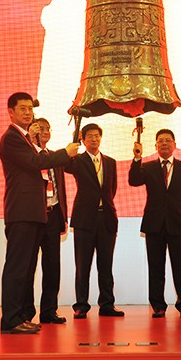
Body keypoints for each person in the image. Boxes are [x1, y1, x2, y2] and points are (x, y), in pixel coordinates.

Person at [0, 92, 79, 334]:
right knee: (17, 268)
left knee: (26, 268)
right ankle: (11, 320)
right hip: (22, 212)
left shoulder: (25, 139)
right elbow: (36, 163)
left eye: (30, 108)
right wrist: (65, 153)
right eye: (22, 108)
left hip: (33, 213)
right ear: (11, 112)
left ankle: (21, 316)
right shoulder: (11, 138)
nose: (28, 112)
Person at [128, 129, 181, 318]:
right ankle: (158, 306)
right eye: (160, 141)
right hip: (154, 224)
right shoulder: (148, 167)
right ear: (156, 145)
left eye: (167, 140)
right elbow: (133, 181)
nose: (164, 143)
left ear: (174, 144)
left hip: (178, 223)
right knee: (155, 266)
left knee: (180, 266)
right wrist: (137, 158)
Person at [65, 123, 123, 318]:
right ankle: (81, 305)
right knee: (83, 265)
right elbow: (65, 165)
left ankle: (107, 305)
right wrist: (73, 141)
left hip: (106, 219)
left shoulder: (110, 162)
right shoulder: (77, 161)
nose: (94, 139)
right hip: (84, 219)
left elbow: (111, 190)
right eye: (89, 136)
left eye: (97, 135)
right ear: (83, 140)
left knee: (106, 265)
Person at [27, 118, 69, 324]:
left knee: (53, 266)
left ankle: (49, 311)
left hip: (53, 215)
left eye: (47, 128)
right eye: (40, 128)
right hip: (34, 216)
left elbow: (61, 189)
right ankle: (26, 313)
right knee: (29, 265)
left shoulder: (54, 158)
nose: (45, 132)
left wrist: (63, 216)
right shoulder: (29, 156)